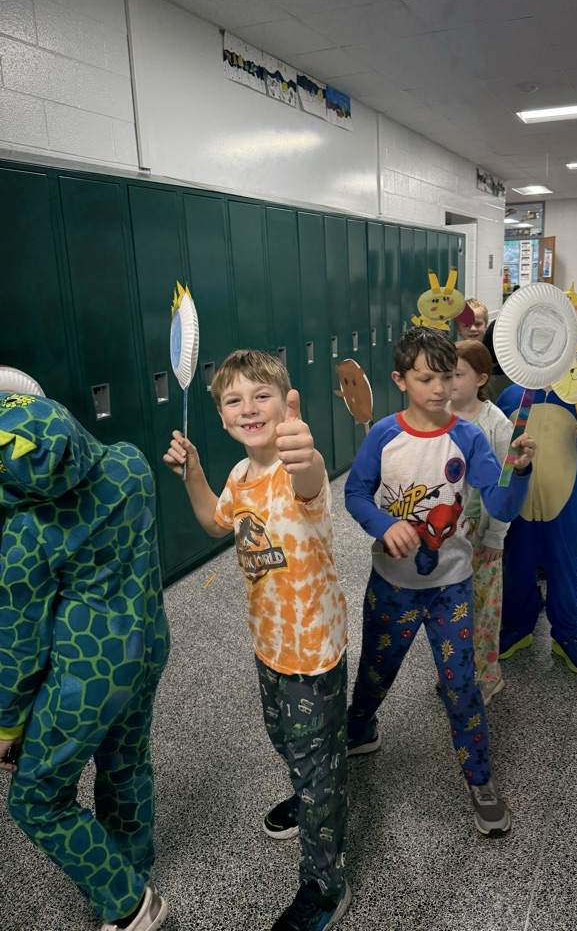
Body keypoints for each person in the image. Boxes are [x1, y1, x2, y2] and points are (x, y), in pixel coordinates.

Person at [163, 349, 349, 931]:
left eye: (261, 395)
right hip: (268, 643)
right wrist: (193, 472)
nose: (248, 407)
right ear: (221, 417)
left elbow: (310, 479)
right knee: (284, 737)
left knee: (315, 765)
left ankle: (325, 886)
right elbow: (215, 521)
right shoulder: (240, 477)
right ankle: (313, 784)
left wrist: (305, 454)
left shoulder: (297, 472)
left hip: (313, 650)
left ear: (284, 404)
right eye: (234, 400)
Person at [344, 327, 535, 836]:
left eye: (447, 377)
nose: (438, 388)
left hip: (451, 585)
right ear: (400, 380)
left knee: (461, 683)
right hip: (392, 583)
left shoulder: (469, 437)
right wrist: (384, 525)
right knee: (375, 671)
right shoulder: (384, 435)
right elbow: (356, 494)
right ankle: (359, 731)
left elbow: (500, 505)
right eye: (425, 378)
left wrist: (519, 473)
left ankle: (480, 778)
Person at [0, 392, 170, 931]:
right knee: (125, 762)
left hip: (87, 671)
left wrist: (8, 726)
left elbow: (20, 646)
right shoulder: (131, 464)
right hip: (146, 643)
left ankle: (129, 902)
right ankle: (133, 866)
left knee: (35, 800)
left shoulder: (26, 535)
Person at [497, 359, 577, 676]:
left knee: (565, 572)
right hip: (519, 507)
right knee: (517, 569)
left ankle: (567, 636)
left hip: (566, 508)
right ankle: (517, 627)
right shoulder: (512, 396)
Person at [448, 340, 513, 705]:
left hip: (482, 535)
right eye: (443, 374)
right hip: (445, 537)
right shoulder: (437, 415)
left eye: (457, 374)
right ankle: (455, 672)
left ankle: (488, 677)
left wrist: (497, 535)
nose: (448, 382)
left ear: (481, 379)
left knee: (484, 611)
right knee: (450, 609)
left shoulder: (496, 424)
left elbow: (506, 485)